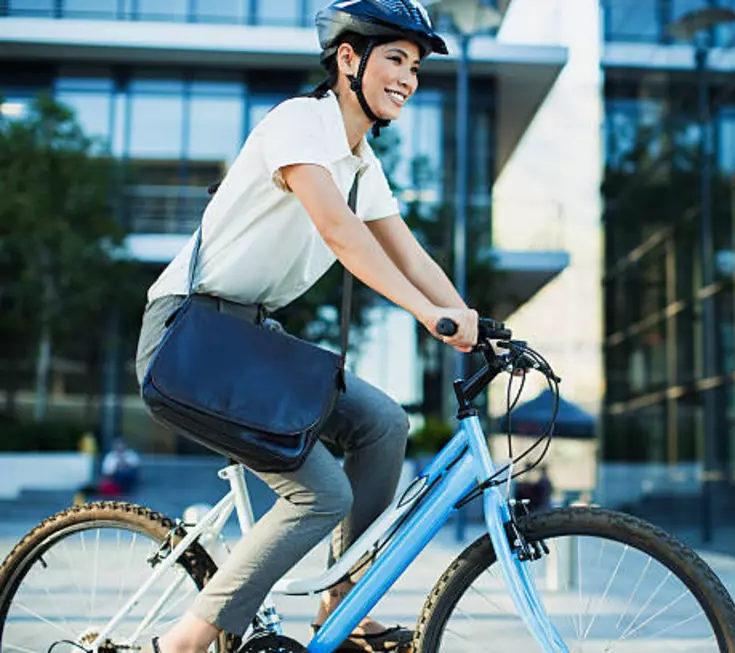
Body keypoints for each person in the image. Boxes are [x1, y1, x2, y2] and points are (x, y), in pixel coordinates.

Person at [133, 2, 478, 651]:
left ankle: (342, 604)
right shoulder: (298, 123)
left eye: (415, 66)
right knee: (319, 493)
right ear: (349, 59)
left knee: (384, 423)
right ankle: (182, 641)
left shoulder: (360, 163)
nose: (408, 77)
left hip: (249, 341)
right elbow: (338, 232)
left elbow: (409, 251)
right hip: (190, 335)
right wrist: (428, 314)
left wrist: (476, 322)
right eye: (395, 59)